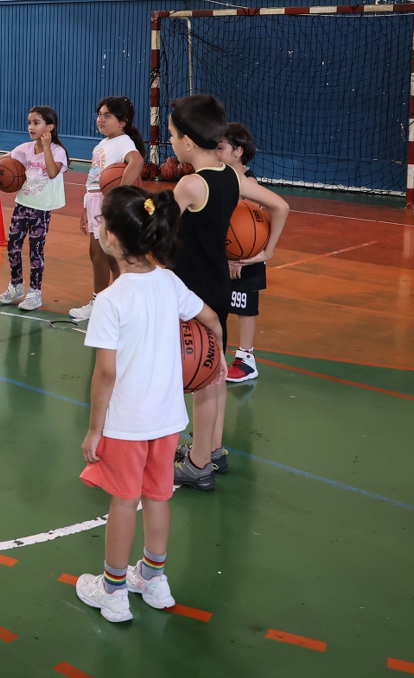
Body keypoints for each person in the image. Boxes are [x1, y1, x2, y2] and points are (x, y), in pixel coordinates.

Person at [74, 186, 221, 623]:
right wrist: (216, 357)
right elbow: (210, 318)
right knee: (158, 498)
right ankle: (154, 580)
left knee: (124, 503)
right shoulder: (169, 281)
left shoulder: (111, 300)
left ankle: (113, 590)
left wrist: (95, 429)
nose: (98, 226)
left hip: (126, 423)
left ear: (112, 238)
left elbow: (105, 374)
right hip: (167, 420)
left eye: (101, 221)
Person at [167, 96, 288, 491]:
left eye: (172, 135)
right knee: (215, 369)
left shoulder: (191, 184)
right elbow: (281, 207)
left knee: (201, 376)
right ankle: (212, 449)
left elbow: (157, 231)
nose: (172, 141)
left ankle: (198, 463)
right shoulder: (232, 177)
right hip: (218, 284)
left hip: (191, 291)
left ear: (187, 142)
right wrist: (266, 252)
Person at [219, 123, 288, 383]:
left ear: (238, 151)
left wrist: (243, 258)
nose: (216, 152)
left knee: (244, 308)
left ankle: (246, 359)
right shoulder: (222, 176)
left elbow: (247, 226)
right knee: (220, 304)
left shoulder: (247, 182)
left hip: (244, 257)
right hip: (225, 253)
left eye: (220, 147)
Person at [71, 96, 145, 321]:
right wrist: (86, 209)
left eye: (108, 115)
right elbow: (93, 181)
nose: (101, 119)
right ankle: (118, 301)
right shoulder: (101, 145)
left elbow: (137, 162)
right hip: (95, 202)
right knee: (108, 256)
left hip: (107, 202)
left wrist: (119, 194)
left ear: (123, 121)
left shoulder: (123, 141)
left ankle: (100, 302)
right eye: (100, 115)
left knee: (101, 254)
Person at [0, 105, 69, 312]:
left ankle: (35, 292)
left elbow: (53, 172)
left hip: (41, 210)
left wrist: (46, 147)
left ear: (50, 127)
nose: (31, 127)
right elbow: (7, 157)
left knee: (36, 251)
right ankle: (16, 285)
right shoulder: (25, 148)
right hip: (22, 205)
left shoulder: (57, 151)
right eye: (29, 122)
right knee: (13, 246)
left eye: (36, 123)